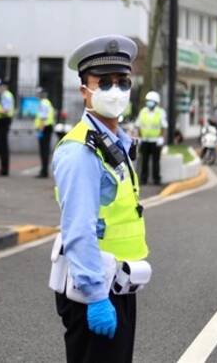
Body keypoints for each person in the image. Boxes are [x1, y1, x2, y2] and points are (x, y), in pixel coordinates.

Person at [51, 35, 150, 363]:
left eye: (123, 82)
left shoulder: (115, 143)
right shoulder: (81, 152)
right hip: (93, 289)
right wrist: (95, 296)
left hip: (117, 284)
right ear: (85, 91)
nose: (116, 91)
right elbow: (78, 228)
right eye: (104, 83)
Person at [136, 91, 167, 185]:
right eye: (148, 101)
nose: (149, 103)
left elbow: (163, 126)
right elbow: (139, 125)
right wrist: (140, 137)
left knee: (156, 161)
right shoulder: (143, 111)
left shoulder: (160, 112)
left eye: (152, 101)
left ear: (156, 102)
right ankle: (143, 179)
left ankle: (156, 179)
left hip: (155, 141)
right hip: (145, 141)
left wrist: (161, 138)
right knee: (144, 161)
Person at [0, 79, 14, 176]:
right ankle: (3, 168)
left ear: (3, 86)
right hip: (1, 121)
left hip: (3, 121)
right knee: (2, 146)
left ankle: (4, 169)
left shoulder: (6, 95)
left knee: (3, 146)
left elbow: (6, 110)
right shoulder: (3, 95)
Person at [34, 87, 55, 178]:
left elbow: (43, 117)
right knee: (45, 150)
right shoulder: (47, 102)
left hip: (44, 128)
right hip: (47, 127)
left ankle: (44, 171)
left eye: (38, 94)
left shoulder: (43, 103)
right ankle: (44, 170)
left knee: (44, 150)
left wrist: (40, 130)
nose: (37, 96)